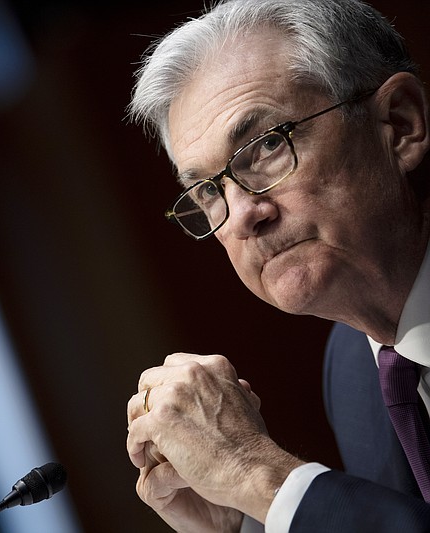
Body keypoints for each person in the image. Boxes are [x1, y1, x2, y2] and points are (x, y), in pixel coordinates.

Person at [124, 0, 430, 531]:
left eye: (266, 146)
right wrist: (243, 521)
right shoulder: (355, 372)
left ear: (399, 123)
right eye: (206, 190)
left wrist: (257, 477)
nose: (242, 215)